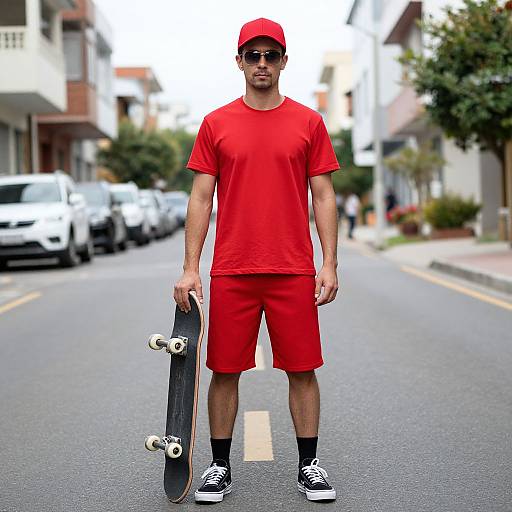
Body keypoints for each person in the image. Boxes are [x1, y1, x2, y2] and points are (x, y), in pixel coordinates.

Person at [173, 17, 340, 503]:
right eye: (253, 55)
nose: (262, 64)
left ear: (284, 61)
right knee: (223, 369)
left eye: (271, 55)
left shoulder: (309, 121)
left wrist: (329, 263)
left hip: (292, 269)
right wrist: (190, 267)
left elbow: (324, 196)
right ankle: (219, 468)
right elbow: (201, 198)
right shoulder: (216, 123)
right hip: (232, 270)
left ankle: (309, 464)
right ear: (239, 61)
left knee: (302, 368)